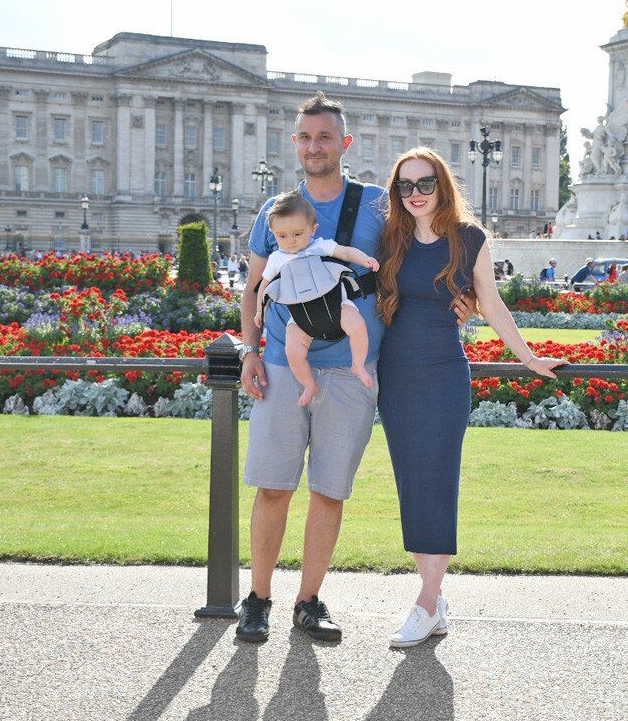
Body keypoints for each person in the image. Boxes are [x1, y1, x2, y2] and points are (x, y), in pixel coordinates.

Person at [236, 91, 473, 644]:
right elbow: (252, 290)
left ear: (344, 144)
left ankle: (309, 600)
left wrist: (465, 299)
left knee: (329, 491)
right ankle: (259, 597)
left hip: (352, 369)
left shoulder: (377, 206)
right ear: (294, 144)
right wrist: (249, 350)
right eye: (304, 137)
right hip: (281, 362)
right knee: (273, 487)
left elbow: (435, 253)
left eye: (324, 137)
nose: (314, 146)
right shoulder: (274, 211)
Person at [376, 148, 564, 647]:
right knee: (411, 484)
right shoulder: (389, 238)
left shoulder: (470, 239)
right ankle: (434, 602)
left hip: (442, 377)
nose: (415, 195)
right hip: (395, 377)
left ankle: (425, 599)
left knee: (437, 481)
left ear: (443, 185)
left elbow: (493, 303)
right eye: (405, 187)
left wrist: (530, 358)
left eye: (425, 184)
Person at [254, 190, 380, 406]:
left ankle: (358, 364)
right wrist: (259, 311)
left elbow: (347, 252)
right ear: (273, 233)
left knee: (358, 325)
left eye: (297, 234)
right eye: (282, 236)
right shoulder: (276, 258)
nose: (290, 241)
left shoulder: (320, 245)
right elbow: (264, 286)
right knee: (293, 350)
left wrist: (365, 259)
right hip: (299, 317)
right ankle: (309, 384)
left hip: (337, 305)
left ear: (312, 230)